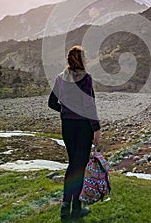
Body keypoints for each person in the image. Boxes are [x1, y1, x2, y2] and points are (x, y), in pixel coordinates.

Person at [48, 45, 100, 221]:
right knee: (79, 167)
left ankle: (66, 207)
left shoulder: (60, 78)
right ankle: (75, 209)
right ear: (81, 60)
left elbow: (51, 102)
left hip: (67, 126)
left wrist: (65, 111)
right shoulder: (86, 79)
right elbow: (89, 105)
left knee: (73, 165)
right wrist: (96, 128)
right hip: (83, 127)